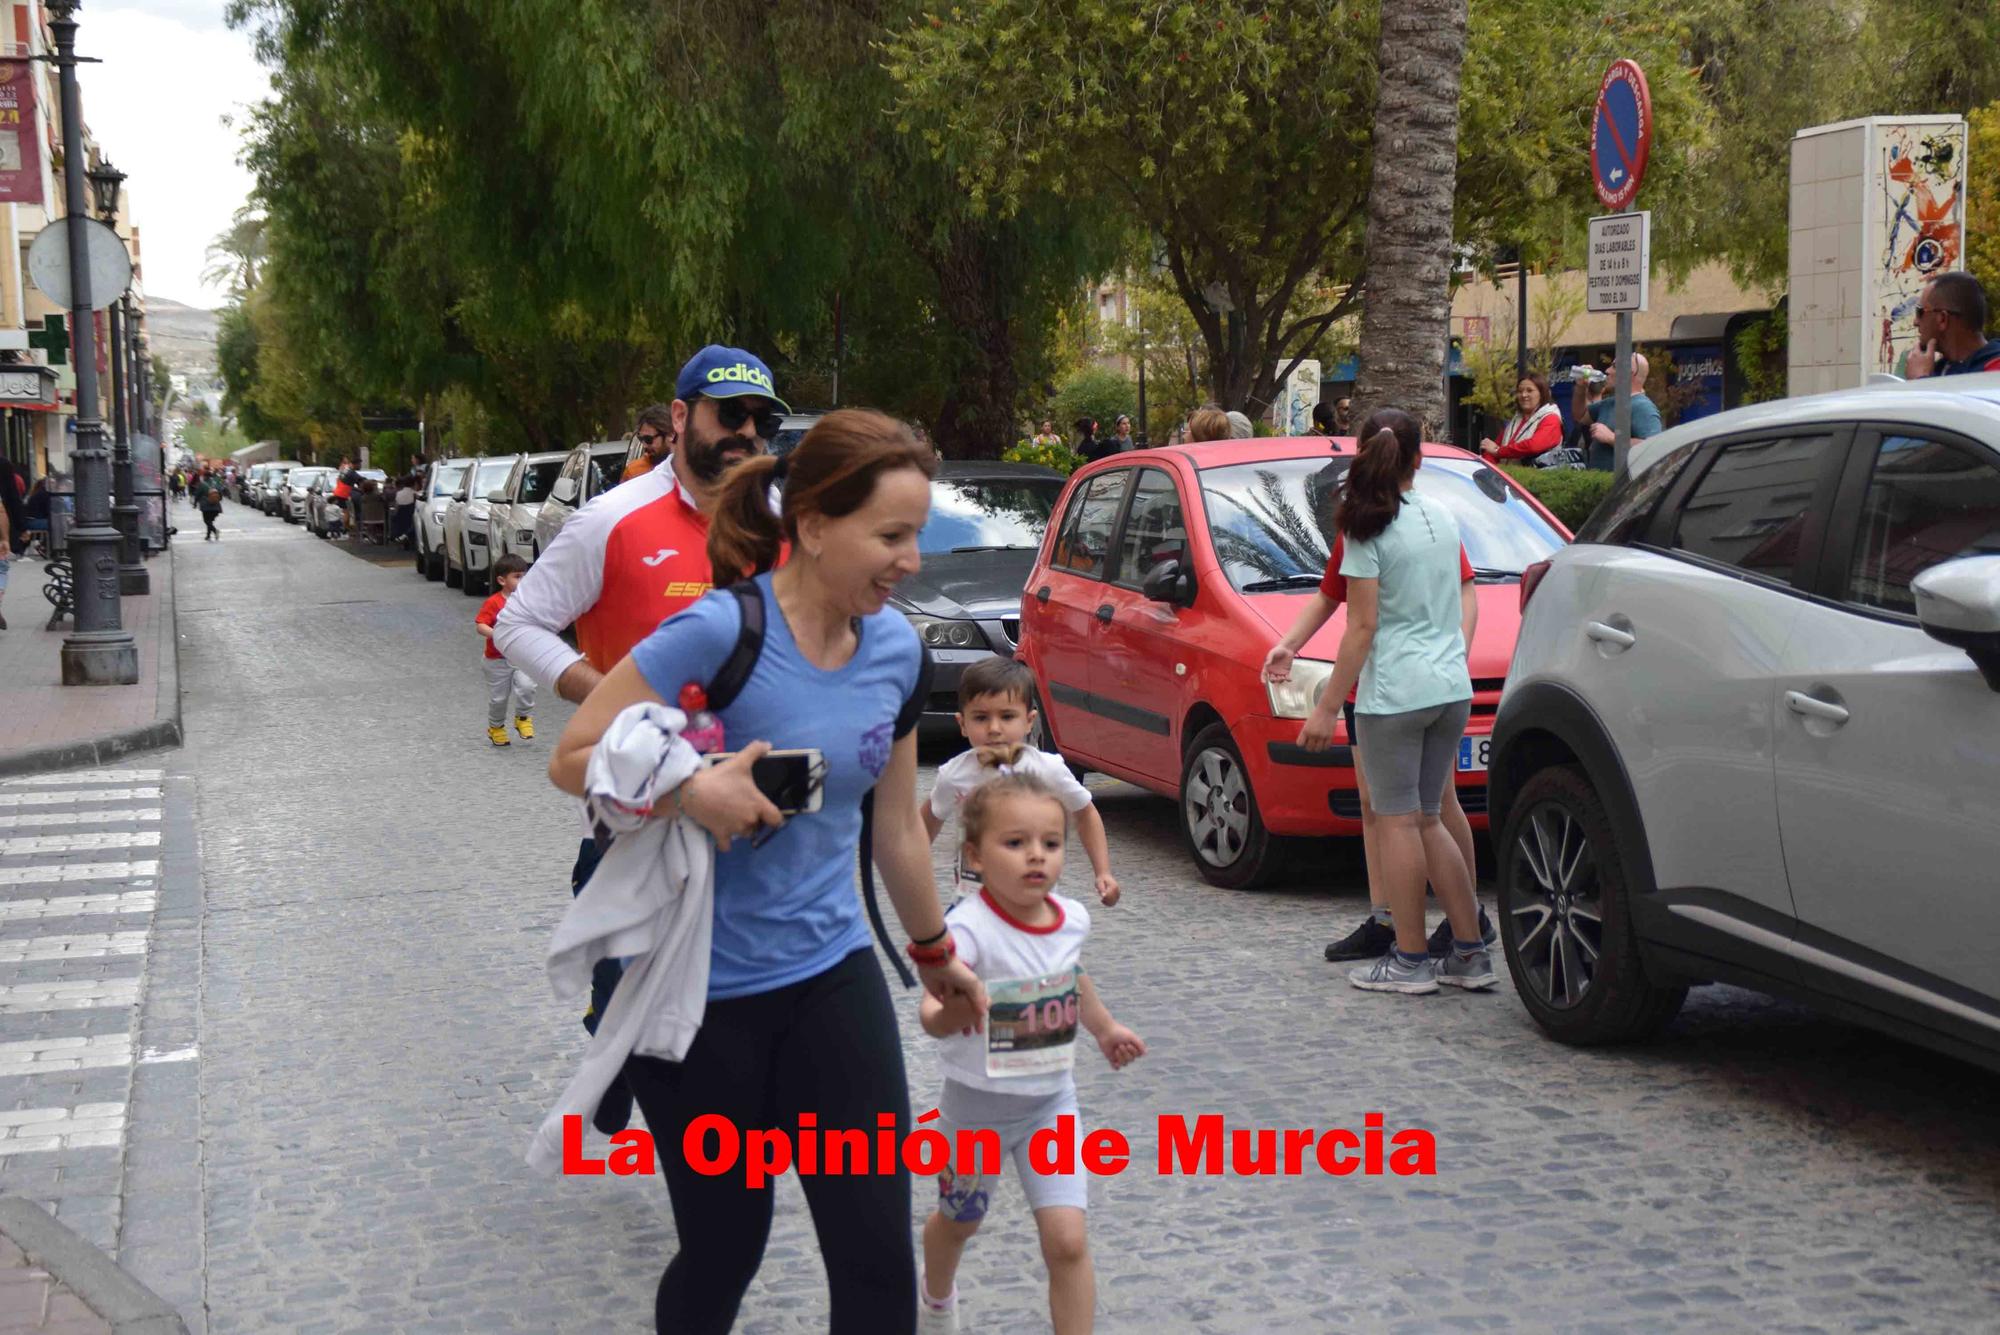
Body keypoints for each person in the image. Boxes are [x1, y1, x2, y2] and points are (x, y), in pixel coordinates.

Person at [547, 408, 985, 1334]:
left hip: (832, 984)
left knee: (874, 1263)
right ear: (816, 525)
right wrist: (686, 788)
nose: (911, 560)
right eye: (892, 536)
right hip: (702, 1005)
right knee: (724, 1249)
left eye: (920, 536)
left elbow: (898, 829)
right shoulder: (719, 631)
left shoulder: (899, 648)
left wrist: (936, 948)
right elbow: (574, 754)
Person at [495, 344, 791, 1134]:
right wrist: (600, 694)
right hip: (636, 798)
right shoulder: (612, 520)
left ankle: (704, 1129)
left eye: (762, 421)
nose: (747, 433)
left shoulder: (780, 526)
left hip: (747, 794)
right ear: (683, 416)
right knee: (625, 975)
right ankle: (617, 1045)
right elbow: (518, 620)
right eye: (731, 416)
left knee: (730, 989)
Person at [917, 773, 1145, 1335]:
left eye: (1050, 843)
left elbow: (1070, 977)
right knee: (958, 1221)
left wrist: (1104, 1028)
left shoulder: (1071, 919)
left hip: (1050, 1105)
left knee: (1067, 1241)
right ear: (975, 854)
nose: (1035, 857)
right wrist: (955, 1011)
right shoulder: (967, 928)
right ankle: (937, 1295)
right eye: (1014, 843)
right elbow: (930, 1013)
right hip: (976, 1111)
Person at [1295, 408, 1491, 996]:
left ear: (1362, 456)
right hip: (1450, 689)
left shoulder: (1365, 526)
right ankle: (1470, 950)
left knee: (1400, 823)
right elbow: (1463, 596)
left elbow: (1360, 627)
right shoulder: (1441, 516)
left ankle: (1409, 959)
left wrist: (1327, 706)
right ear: (1419, 460)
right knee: (1431, 818)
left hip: (1395, 696)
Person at [1264, 529, 1492, 962]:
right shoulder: (1360, 524)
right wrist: (1289, 644)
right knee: (1376, 805)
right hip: (1372, 688)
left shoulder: (1422, 519)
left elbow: (1463, 592)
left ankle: (1463, 921)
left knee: (1433, 806)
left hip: (1405, 687)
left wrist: (1457, 652)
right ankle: (1387, 920)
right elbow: (1330, 594)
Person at [922, 656, 1120, 907]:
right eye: (981, 718)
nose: (994, 728)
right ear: (962, 723)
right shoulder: (954, 774)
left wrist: (1103, 872)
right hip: (973, 904)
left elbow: (1086, 814)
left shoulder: (1047, 769)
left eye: (1007, 716)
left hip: (1035, 903)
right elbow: (926, 822)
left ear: (1029, 720)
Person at [475, 554, 536, 746]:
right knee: (499, 698)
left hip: (521, 657)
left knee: (527, 687)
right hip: (497, 660)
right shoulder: (494, 602)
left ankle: (523, 718)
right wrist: (497, 634)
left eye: (524, 576)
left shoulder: (528, 601)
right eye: (517, 576)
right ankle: (496, 727)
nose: (522, 580)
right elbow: (480, 625)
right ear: (502, 580)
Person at [1905, 271, 2000, 377]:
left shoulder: (1995, 370)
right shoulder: (1937, 368)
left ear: (1942, 319)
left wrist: (1919, 381)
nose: (1915, 322)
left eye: (1920, 312)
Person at [1585, 353, 1661, 471]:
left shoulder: (1643, 407)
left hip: (1622, 488)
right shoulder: (1610, 403)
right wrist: (1581, 387)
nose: (1607, 370)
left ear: (1629, 374)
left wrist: (1611, 438)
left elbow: (1651, 447)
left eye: (1614, 366)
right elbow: (1580, 415)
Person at [1479, 373, 1563, 463]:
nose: (1523, 395)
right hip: (1506, 475)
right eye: (1519, 391)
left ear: (1542, 394)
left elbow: (1533, 446)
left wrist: (1498, 451)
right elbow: (1494, 448)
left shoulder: (1551, 418)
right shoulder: (1516, 420)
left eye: (1529, 391)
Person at [621, 403, 676, 482]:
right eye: (641, 439)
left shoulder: (689, 469)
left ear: (671, 435)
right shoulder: (634, 471)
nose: (644, 445)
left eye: (648, 439)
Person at [195, 469, 225, 541]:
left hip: (206, 506)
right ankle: (208, 536)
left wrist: (195, 503)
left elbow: (198, 494)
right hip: (215, 506)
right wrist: (217, 500)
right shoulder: (215, 483)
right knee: (210, 521)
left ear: (205, 476)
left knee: (206, 521)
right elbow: (220, 493)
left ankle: (215, 531)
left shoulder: (202, 484)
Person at [391, 475, 418, 547]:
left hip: (400, 516)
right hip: (410, 515)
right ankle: (407, 536)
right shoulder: (415, 494)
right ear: (414, 483)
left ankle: (401, 536)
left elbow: (396, 506)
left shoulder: (398, 493)